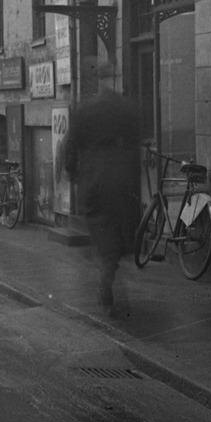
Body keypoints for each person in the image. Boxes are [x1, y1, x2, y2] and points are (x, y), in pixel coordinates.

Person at [61, 92, 144, 315]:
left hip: (91, 183)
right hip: (120, 181)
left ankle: (107, 279)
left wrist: (74, 174)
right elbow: (135, 147)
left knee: (103, 236)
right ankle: (109, 277)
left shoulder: (83, 113)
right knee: (117, 236)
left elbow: (70, 148)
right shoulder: (125, 111)